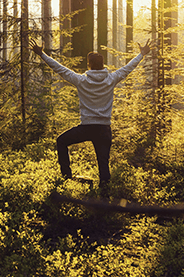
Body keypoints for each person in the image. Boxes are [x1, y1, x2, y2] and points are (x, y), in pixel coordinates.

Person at [29, 39, 152, 194]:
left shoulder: (82, 80)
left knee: (61, 141)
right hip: (104, 130)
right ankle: (105, 198)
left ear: (89, 65)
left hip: (86, 128)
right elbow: (128, 68)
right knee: (103, 163)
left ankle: (67, 178)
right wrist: (141, 54)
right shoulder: (111, 79)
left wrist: (42, 54)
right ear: (102, 65)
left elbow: (60, 69)